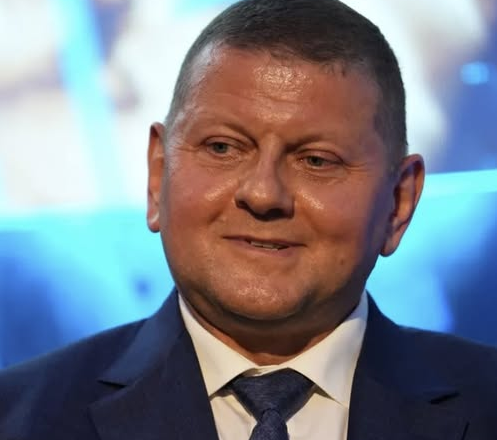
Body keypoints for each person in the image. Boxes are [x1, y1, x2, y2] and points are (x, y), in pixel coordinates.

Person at [1, 0, 497, 439]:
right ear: (158, 175)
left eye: (316, 160)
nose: (263, 194)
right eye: (222, 148)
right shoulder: (18, 419)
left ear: (400, 201)